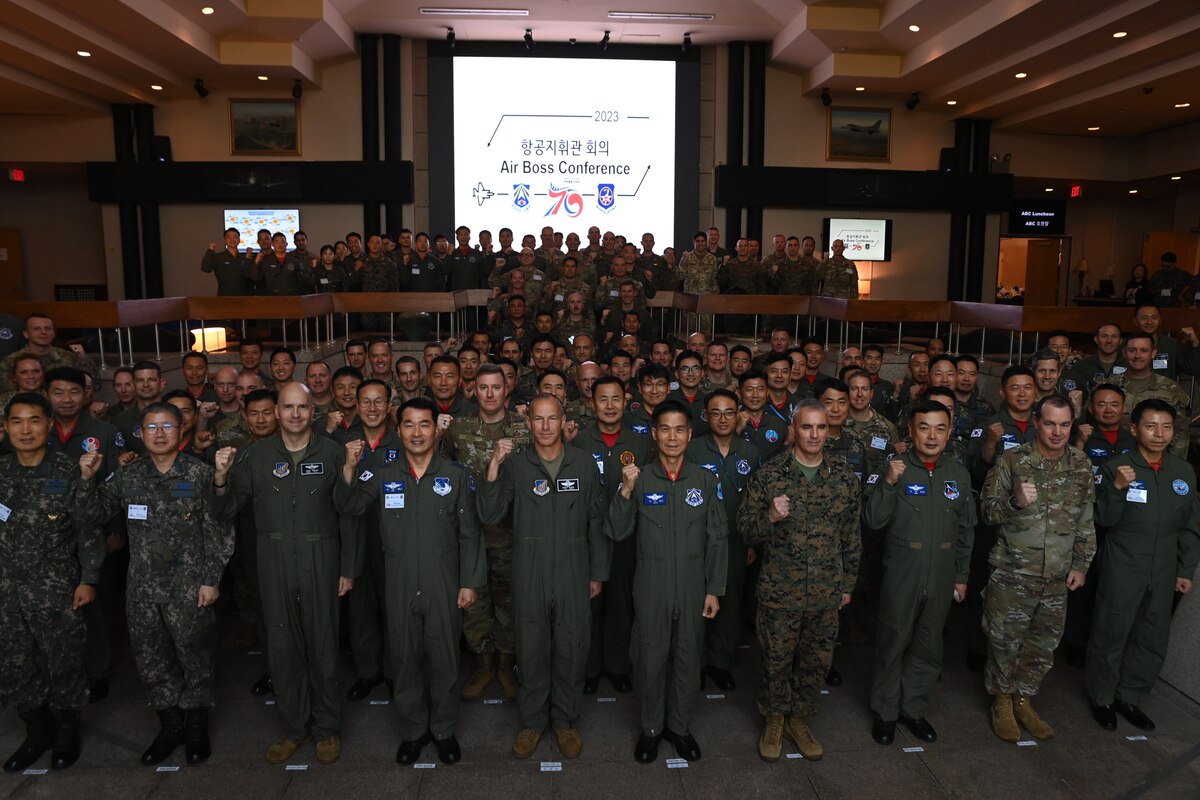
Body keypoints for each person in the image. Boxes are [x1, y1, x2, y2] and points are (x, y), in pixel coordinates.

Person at [212, 382, 360, 766]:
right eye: (288, 407)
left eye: (302, 407)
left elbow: (348, 513)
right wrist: (221, 478)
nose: (295, 414)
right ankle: (294, 727)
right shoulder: (255, 457)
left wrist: (347, 567)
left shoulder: (332, 453)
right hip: (273, 557)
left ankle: (327, 727)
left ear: (314, 412)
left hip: (321, 554)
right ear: (276, 412)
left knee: (324, 645)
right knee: (281, 646)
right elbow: (225, 510)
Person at [336, 397, 485, 765]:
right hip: (399, 582)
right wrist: (349, 470)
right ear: (397, 428)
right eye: (408, 425)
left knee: (445, 661)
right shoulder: (382, 474)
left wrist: (469, 582)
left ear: (436, 429)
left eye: (424, 425)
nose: (416, 433)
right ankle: (413, 731)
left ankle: (444, 730)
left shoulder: (455, 475)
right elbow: (349, 506)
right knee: (403, 660)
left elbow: (470, 534)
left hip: (443, 581)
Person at [83, 401, 233, 766]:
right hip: (143, 591)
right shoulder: (129, 477)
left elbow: (219, 532)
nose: (160, 434)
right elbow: (94, 514)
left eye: (167, 426)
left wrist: (211, 580)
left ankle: (196, 724)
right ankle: (169, 725)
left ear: (181, 429)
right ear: (142, 434)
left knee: (195, 658)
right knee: (152, 663)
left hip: (189, 588)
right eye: (151, 428)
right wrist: (87, 480)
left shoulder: (199, 475)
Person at [478, 394, 608, 761]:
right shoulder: (517, 465)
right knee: (532, 648)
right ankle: (533, 721)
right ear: (529, 423)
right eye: (539, 419)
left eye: (552, 419)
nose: (546, 427)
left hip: (574, 569)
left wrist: (597, 572)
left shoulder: (583, 464)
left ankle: (565, 720)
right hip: (529, 571)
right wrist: (493, 465)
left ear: (563, 420)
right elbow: (489, 514)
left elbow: (596, 521)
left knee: (570, 646)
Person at [739, 400, 861, 762]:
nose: (814, 435)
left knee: (815, 661)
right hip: (780, 591)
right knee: (776, 659)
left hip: (826, 590)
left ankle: (800, 718)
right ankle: (774, 719)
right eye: (807, 427)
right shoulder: (771, 474)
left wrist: (847, 585)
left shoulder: (842, 477)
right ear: (794, 429)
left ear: (829, 430)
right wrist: (771, 518)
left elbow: (852, 536)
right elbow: (744, 527)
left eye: (821, 428)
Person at [606, 402, 727, 764]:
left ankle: (679, 727)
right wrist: (625, 492)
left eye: (679, 430)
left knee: (689, 660)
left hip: (692, 585)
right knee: (649, 657)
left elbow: (717, 537)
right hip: (652, 584)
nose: (672, 437)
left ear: (690, 435)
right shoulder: (639, 478)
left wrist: (714, 589)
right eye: (665, 429)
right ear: (654, 433)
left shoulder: (705, 480)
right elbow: (616, 530)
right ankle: (651, 729)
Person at [980, 395, 1096, 743]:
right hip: (1013, 573)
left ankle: (1023, 698)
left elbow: (1086, 519)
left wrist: (1081, 564)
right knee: (1004, 641)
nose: (1058, 431)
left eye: (1064, 424)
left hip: (1057, 577)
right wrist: (1015, 501)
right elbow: (986, 512)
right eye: (1050, 423)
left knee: (1042, 645)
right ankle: (1001, 700)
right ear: (1036, 423)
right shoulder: (1012, 461)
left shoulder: (1080, 464)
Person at [0, 393, 103, 773]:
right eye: (17, 421)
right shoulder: (1, 473)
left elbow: (89, 532)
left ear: (48, 425)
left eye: (34, 421)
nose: (25, 430)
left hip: (56, 588)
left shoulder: (68, 471)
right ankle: (37, 729)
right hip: (6, 592)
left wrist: (89, 579)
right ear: (6, 427)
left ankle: (67, 729)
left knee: (65, 660)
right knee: (14, 663)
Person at [863, 401, 975, 745]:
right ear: (910, 431)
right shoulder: (895, 468)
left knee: (929, 645)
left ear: (949, 432)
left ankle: (913, 709)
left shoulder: (957, 472)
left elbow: (966, 528)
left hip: (941, 572)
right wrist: (889, 482)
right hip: (903, 569)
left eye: (940, 428)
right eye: (924, 427)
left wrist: (961, 575)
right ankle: (885, 712)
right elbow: (873, 520)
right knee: (893, 640)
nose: (932, 435)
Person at [1087, 398, 1200, 732]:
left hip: (1165, 565)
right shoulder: (1117, 467)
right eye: (1151, 426)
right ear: (1134, 429)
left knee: (1152, 635)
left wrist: (1185, 569)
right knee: (1112, 631)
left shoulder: (1182, 471)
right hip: (1124, 562)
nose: (1159, 433)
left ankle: (1130, 696)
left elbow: (1191, 526)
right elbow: (1102, 519)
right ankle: (1103, 696)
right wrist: (1118, 488)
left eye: (1166, 427)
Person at [443, 364, 531, 702]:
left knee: (509, 600)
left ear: (507, 388)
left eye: (497, 386)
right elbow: (446, 473)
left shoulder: (525, 428)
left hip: (512, 533)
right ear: (473, 390)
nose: (491, 394)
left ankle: (506, 664)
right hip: (472, 534)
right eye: (483, 387)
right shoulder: (459, 430)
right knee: (475, 602)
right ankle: (483, 663)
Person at [569, 375, 654, 695]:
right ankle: (589, 668)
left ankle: (618, 666)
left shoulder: (640, 443)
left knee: (621, 603)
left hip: (626, 537)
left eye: (615, 399)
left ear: (626, 401)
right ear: (592, 403)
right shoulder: (578, 442)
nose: (609, 406)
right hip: (587, 537)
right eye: (602, 399)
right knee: (589, 606)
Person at [686, 388, 762, 691]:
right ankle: (697, 663)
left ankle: (720, 663)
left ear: (738, 414)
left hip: (736, 542)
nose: (722, 418)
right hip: (697, 542)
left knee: (730, 606)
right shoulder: (693, 450)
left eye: (729, 412)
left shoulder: (750, 453)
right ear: (706, 416)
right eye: (715, 412)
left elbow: (756, 502)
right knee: (697, 604)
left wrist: (752, 543)